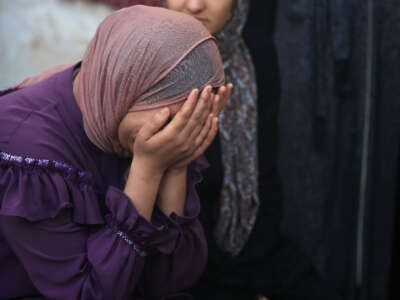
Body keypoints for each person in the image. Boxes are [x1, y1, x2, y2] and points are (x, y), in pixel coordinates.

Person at [105, 1, 344, 299]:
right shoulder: (139, 67)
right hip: (170, 265)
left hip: (255, 254)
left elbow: (265, 181)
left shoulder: (254, 56)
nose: (194, 5)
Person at [0, 5, 232, 299]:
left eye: (186, 122)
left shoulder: (136, 124)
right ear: (124, 88)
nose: (172, 135)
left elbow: (170, 282)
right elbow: (91, 293)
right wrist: (146, 172)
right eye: (166, 119)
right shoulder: (26, 148)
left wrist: (175, 166)